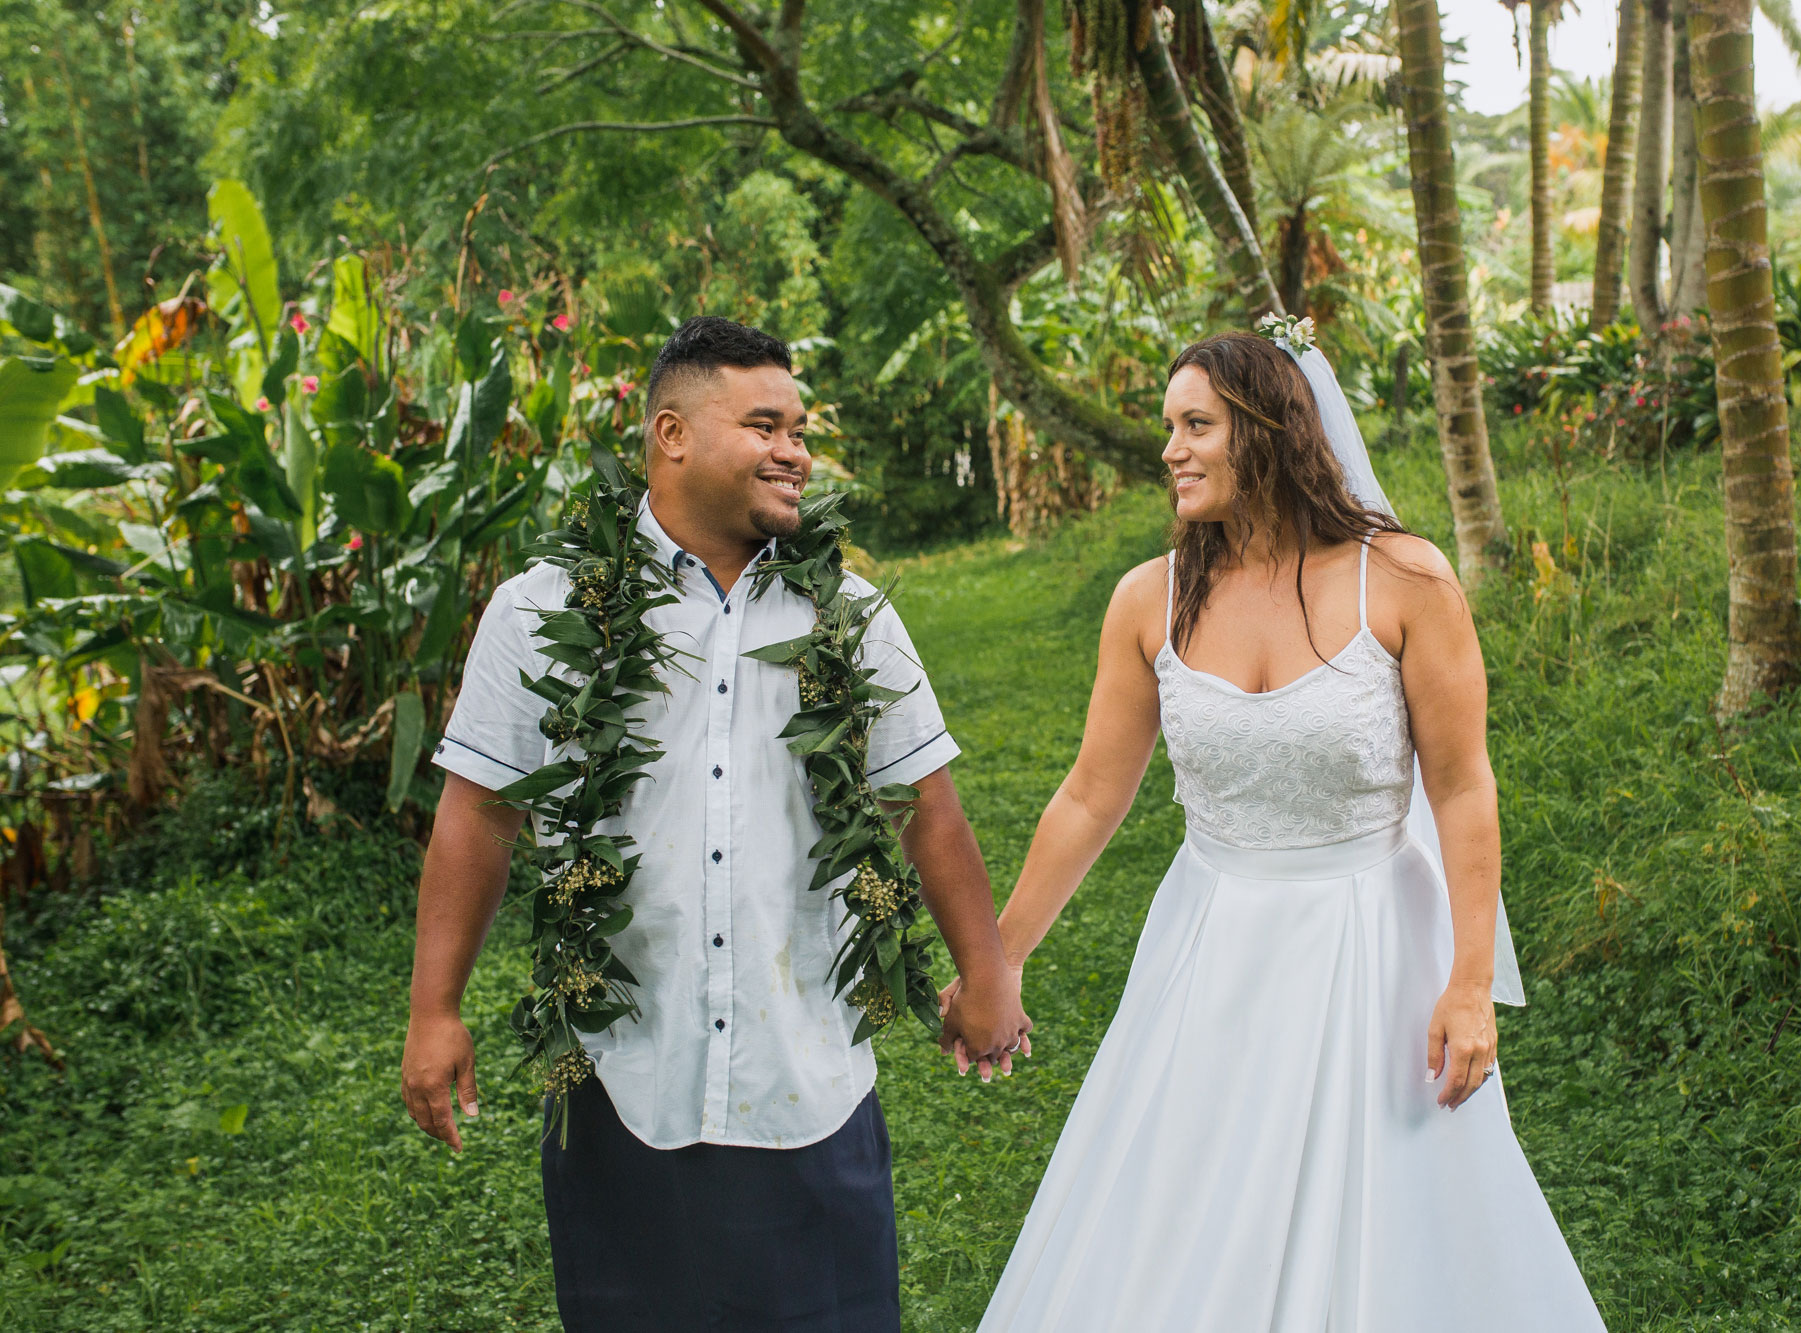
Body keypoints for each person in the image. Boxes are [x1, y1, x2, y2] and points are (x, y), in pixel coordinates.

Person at [957, 328, 1605, 1330]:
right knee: (1188, 1210)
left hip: (1371, 950)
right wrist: (998, 961)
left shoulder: (1401, 581)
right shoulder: (1149, 599)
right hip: (1210, 948)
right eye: (1167, 427)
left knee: (1389, 1216)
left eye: (1194, 425)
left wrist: (1468, 983)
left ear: (1267, 431)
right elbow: (1091, 795)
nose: (1169, 449)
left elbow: (1463, 788)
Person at [400, 316, 1031, 1332]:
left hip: (806, 1075)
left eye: (799, 428)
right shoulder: (542, 609)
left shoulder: (846, 614)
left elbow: (928, 803)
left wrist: (987, 969)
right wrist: (436, 1009)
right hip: (623, 1074)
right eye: (765, 424)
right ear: (672, 435)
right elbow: (478, 814)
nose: (795, 450)